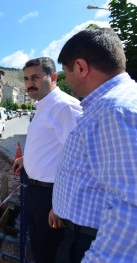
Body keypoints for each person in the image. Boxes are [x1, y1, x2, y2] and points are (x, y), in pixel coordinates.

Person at [51, 28, 137, 263]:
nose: (67, 80)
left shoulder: (114, 111)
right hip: (80, 233)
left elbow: (130, 207)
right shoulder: (112, 105)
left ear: (81, 67)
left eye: (66, 72)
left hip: (90, 243)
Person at [12, 57, 83, 263]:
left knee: (49, 252)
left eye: (35, 77)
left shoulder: (64, 107)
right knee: (38, 246)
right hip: (35, 191)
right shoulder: (43, 106)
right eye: (26, 79)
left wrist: (61, 205)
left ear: (53, 77)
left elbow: (80, 159)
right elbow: (54, 146)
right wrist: (26, 159)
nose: (29, 83)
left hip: (52, 194)